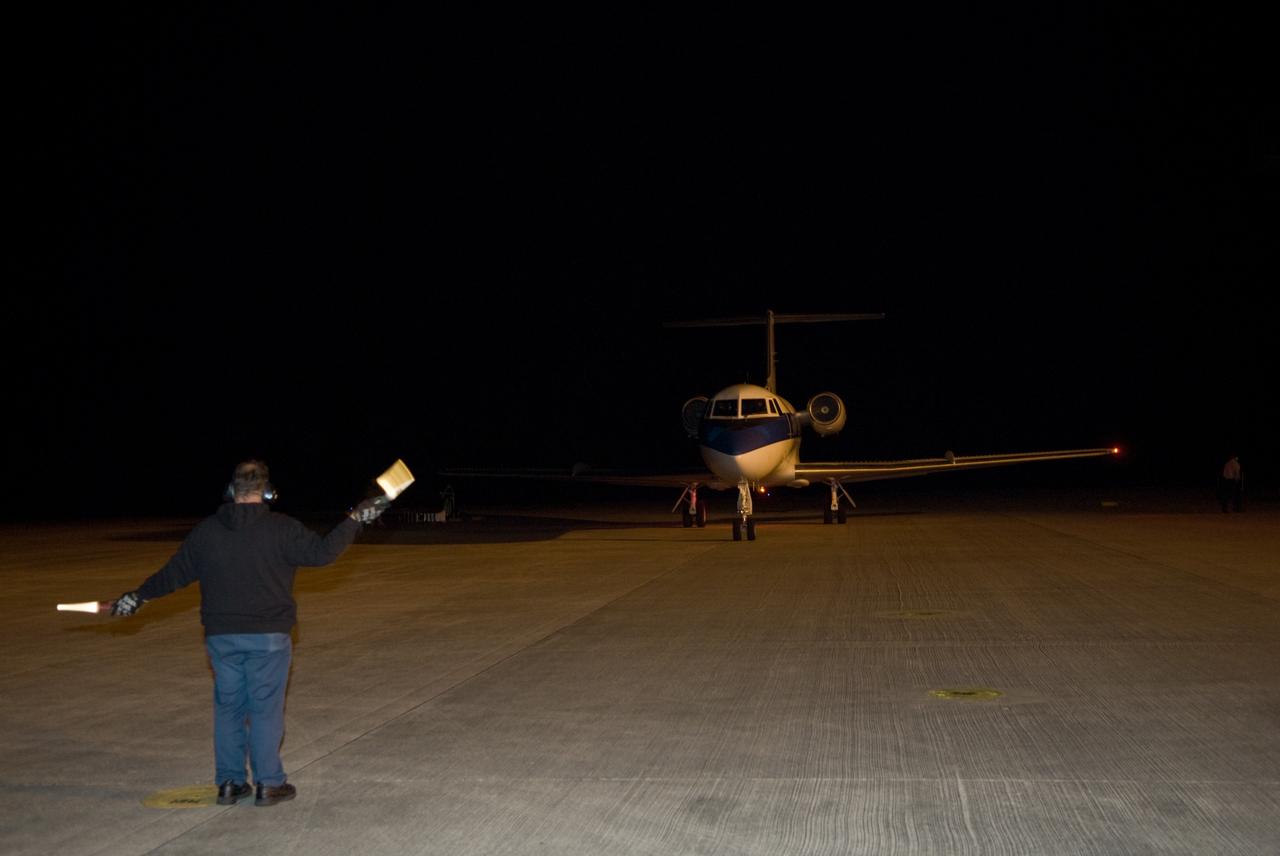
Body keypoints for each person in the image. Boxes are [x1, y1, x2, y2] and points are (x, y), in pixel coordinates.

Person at [109, 460, 391, 807]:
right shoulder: (282, 529)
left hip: (221, 638)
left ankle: (229, 783)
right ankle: (269, 783)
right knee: (264, 710)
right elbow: (323, 554)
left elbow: (173, 574)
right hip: (269, 638)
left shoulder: (207, 531)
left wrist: (137, 596)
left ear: (230, 492)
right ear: (268, 492)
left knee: (229, 708)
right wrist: (359, 516)